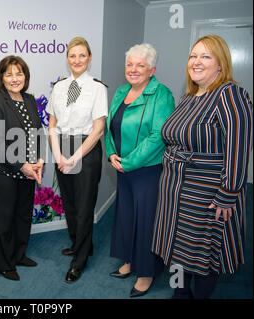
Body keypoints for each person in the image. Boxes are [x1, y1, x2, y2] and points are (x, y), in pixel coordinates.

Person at [152, 34, 253, 299]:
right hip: (173, 190)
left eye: (206, 56)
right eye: (193, 56)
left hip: (205, 194)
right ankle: (179, 294)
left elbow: (239, 149)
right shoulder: (189, 97)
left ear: (221, 64)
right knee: (175, 250)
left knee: (202, 257)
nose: (196, 61)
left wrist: (228, 194)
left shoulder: (230, 94)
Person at [104, 43, 175, 297]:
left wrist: (129, 162)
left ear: (152, 69)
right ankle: (129, 262)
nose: (133, 70)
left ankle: (146, 272)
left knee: (146, 221)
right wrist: (111, 153)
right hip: (121, 166)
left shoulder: (162, 94)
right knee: (125, 216)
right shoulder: (121, 91)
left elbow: (159, 136)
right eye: (129, 64)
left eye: (140, 65)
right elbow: (109, 127)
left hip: (147, 170)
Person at [46, 37, 108, 283]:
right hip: (62, 147)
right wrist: (59, 154)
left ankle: (79, 261)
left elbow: (98, 129)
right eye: (73, 56)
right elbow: (52, 125)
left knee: (84, 207)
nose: (77, 60)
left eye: (82, 55)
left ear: (89, 58)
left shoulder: (97, 88)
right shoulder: (59, 88)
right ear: (67, 59)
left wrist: (74, 156)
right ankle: (79, 244)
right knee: (70, 203)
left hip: (86, 148)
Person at [0, 55, 44, 281]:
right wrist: (22, 165)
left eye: (19, 73)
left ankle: (19, 255)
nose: (14, 78)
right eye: (9, 74)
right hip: (4, 171)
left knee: (22, 215)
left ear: (25, 76)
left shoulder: (29, 99)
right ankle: (3, 263)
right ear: (1, 77)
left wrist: (39, 160)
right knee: (4, 218)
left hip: (28, 171)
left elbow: (38, 132)